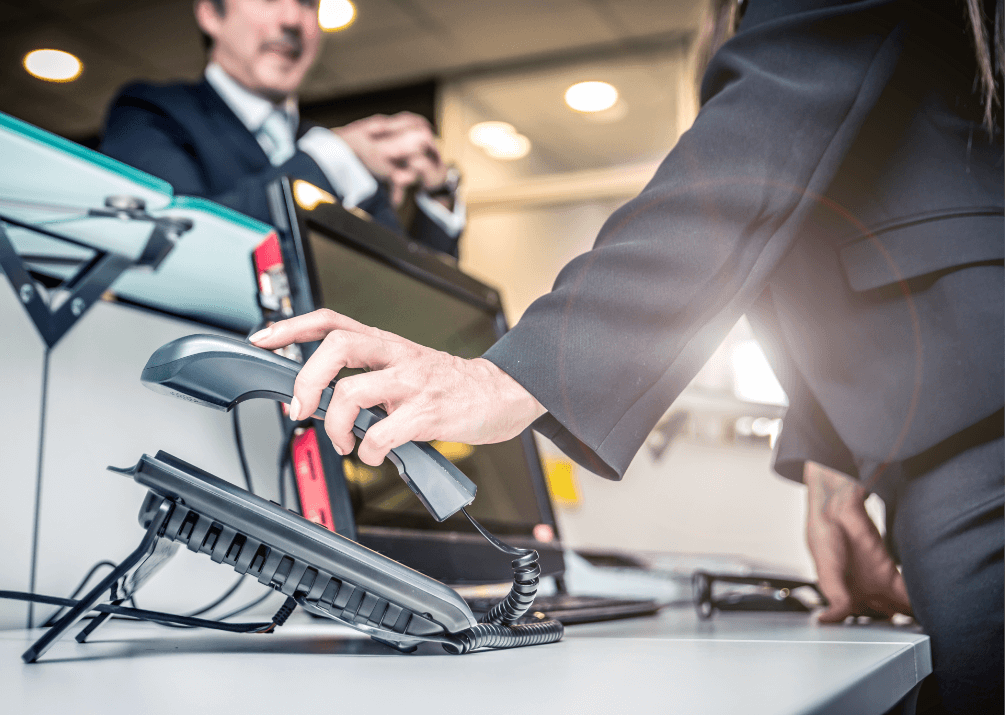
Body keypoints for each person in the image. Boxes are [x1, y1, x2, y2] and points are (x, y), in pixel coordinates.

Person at [249, 0, 1002, 712]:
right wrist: (833, 465)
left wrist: (509, 373)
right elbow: (828, 186)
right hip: (943, 412)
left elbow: (770, 128)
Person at [100, 0, 463, 257]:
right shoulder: (149, 112)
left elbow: (408, 291)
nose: (292, 18)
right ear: (211, 12)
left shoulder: (329, 149)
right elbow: (172, 245)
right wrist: (335, 158)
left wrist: (438, 194)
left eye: (307, 2)